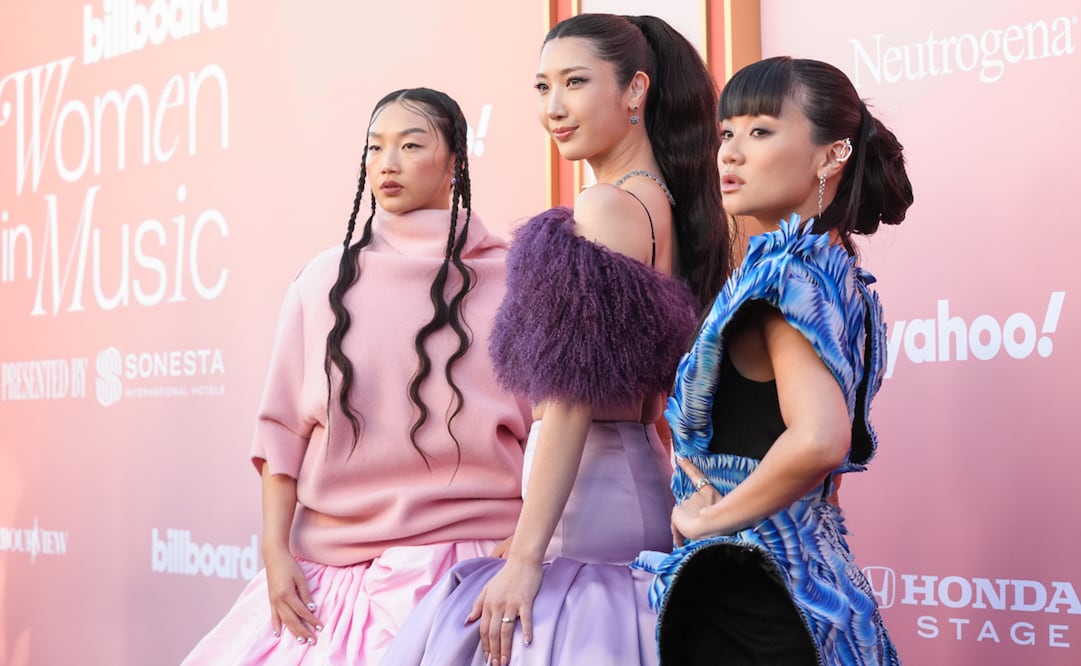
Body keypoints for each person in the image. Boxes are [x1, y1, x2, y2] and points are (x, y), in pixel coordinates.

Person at [383, 14, 728, 666]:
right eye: (541, 87)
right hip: (630, 482)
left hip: (588, 502)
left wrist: (524, 553)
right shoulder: (668, 208)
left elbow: (570, 398)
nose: (553, 108)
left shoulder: (606, 207)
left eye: (573, 82)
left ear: (634, 92)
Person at [181, 87, 531, 666]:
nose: (386, 163)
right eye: (374, 148)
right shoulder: (321, 281)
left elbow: (551, 425)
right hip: (336, 580)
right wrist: (274, 551)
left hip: (476, 571)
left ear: (455, 162)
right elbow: (281, 433)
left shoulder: (513, 279)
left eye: (410, 145)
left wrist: (529, 546)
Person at [633, 56, 913, 665]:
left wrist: (711, 522)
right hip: (816, 585)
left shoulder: (785, 278)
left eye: (759, 131)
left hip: (748, 594)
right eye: (726, 134)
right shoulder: (842, 277)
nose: (730, 154)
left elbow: (820, 440)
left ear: (832, 156)